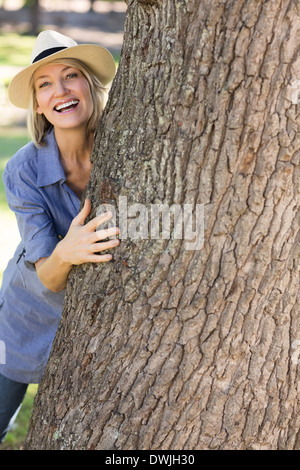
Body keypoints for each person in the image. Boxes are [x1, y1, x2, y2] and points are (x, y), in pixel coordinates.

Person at [0, 30, 120, 443]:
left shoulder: (127, 148)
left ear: (90, 83)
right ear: (37, 103)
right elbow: (48, 276)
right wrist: (68, 251)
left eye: (71, 76)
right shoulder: (23, 170)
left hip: (97, 323)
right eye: (45, 84)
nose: (61, 91)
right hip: (27, 312)